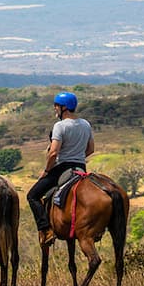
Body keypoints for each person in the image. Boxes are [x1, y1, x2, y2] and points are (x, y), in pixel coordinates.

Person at [26, 91, 94, 247]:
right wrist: (78, 156)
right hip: (81, 168)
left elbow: (53, 153)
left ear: (64, 107)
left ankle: (46, 229)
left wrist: (47, 171)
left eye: (56, 106)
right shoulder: (85, 124)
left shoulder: (60, 126)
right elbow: (91, 149)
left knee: (32, 196)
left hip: (62, 168)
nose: (55, 109)